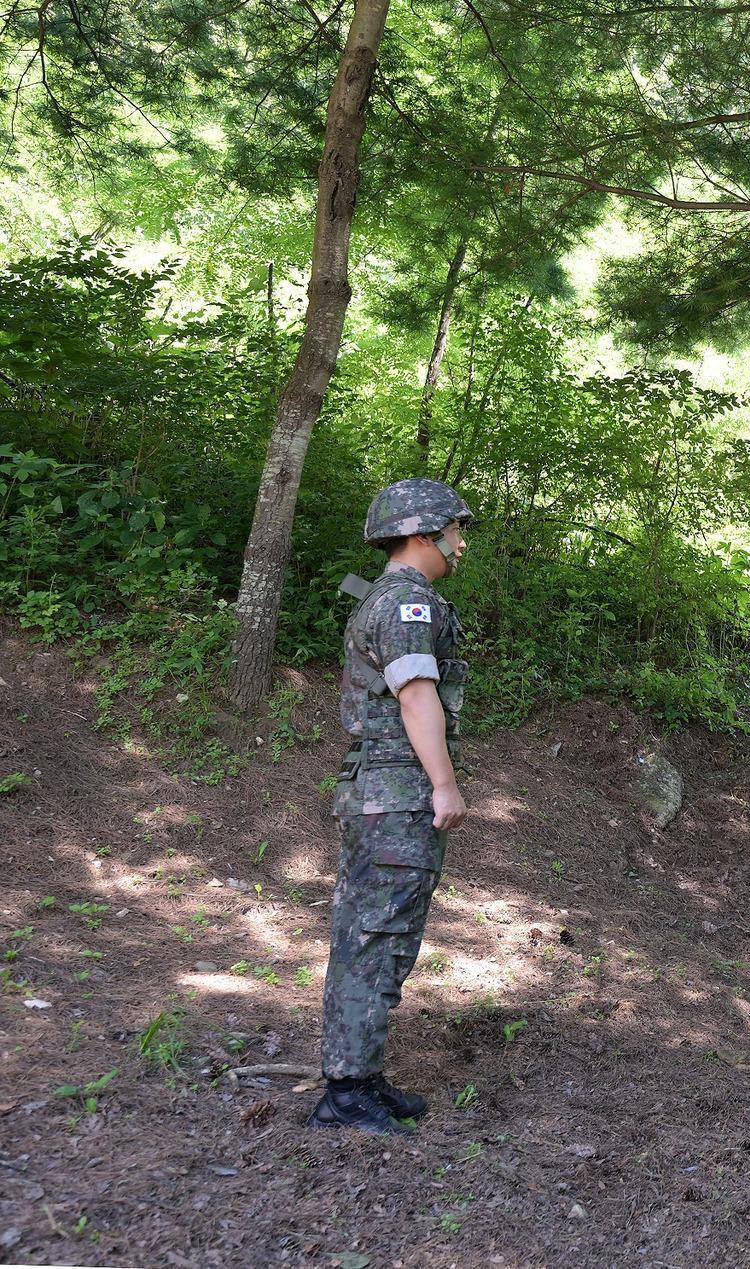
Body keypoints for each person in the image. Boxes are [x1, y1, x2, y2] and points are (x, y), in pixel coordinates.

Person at [313, 478, 475, 1134]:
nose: (461, 544)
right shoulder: (407, 603)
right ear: (420, 532)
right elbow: (415, 696)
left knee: (378, 936)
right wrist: (444, 781)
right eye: (454, 530)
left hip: (380, 799)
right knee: (377, 939)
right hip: (397, 800)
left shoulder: (390, 597)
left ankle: (362, 1074)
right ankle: (346, 1092)